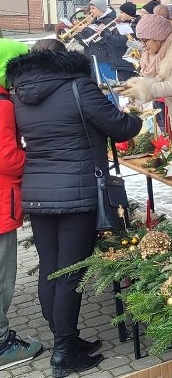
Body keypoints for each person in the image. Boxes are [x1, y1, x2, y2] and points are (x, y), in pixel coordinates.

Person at [6, 41, 142, 377]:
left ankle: (65, 339)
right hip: (77, 193)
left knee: (50, 268)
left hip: (37, 192)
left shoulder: (18, 94)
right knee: (69, 273)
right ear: (65, 60)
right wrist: (137, 116)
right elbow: (120, 126)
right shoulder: (79, 86)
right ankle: (64, 354)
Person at [0, 39, 44, 370]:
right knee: (2, 278)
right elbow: (7, 158)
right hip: (1, 204)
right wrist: (40, 157)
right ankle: (2, 345)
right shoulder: (2, 105)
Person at [120, 12, 172, 137]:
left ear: (158, 37)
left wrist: (145, 89)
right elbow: (153, 80)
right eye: (140, 41)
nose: (143, 46)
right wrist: (135, 90)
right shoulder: (157, 54)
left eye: (145, 41)